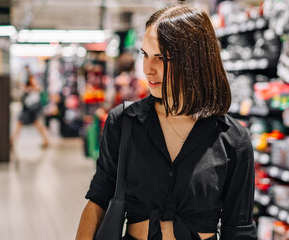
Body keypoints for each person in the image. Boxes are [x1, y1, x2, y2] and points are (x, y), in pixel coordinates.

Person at [76, 4, 256, 240]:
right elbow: (98, 199)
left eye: (161, 58)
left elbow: (239, 228)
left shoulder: (233, 139)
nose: (148, 69)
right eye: (145, 55)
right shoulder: (124, 122)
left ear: (195, 61)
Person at [10, 67, 49, 148]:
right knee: (34, 123)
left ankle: (12, 141)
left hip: (30, 107)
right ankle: (12, 141)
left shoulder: (30, 79)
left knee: (21, 123)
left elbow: (37, 88)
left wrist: (30, 89)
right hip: (29, 106)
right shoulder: (26, 79)